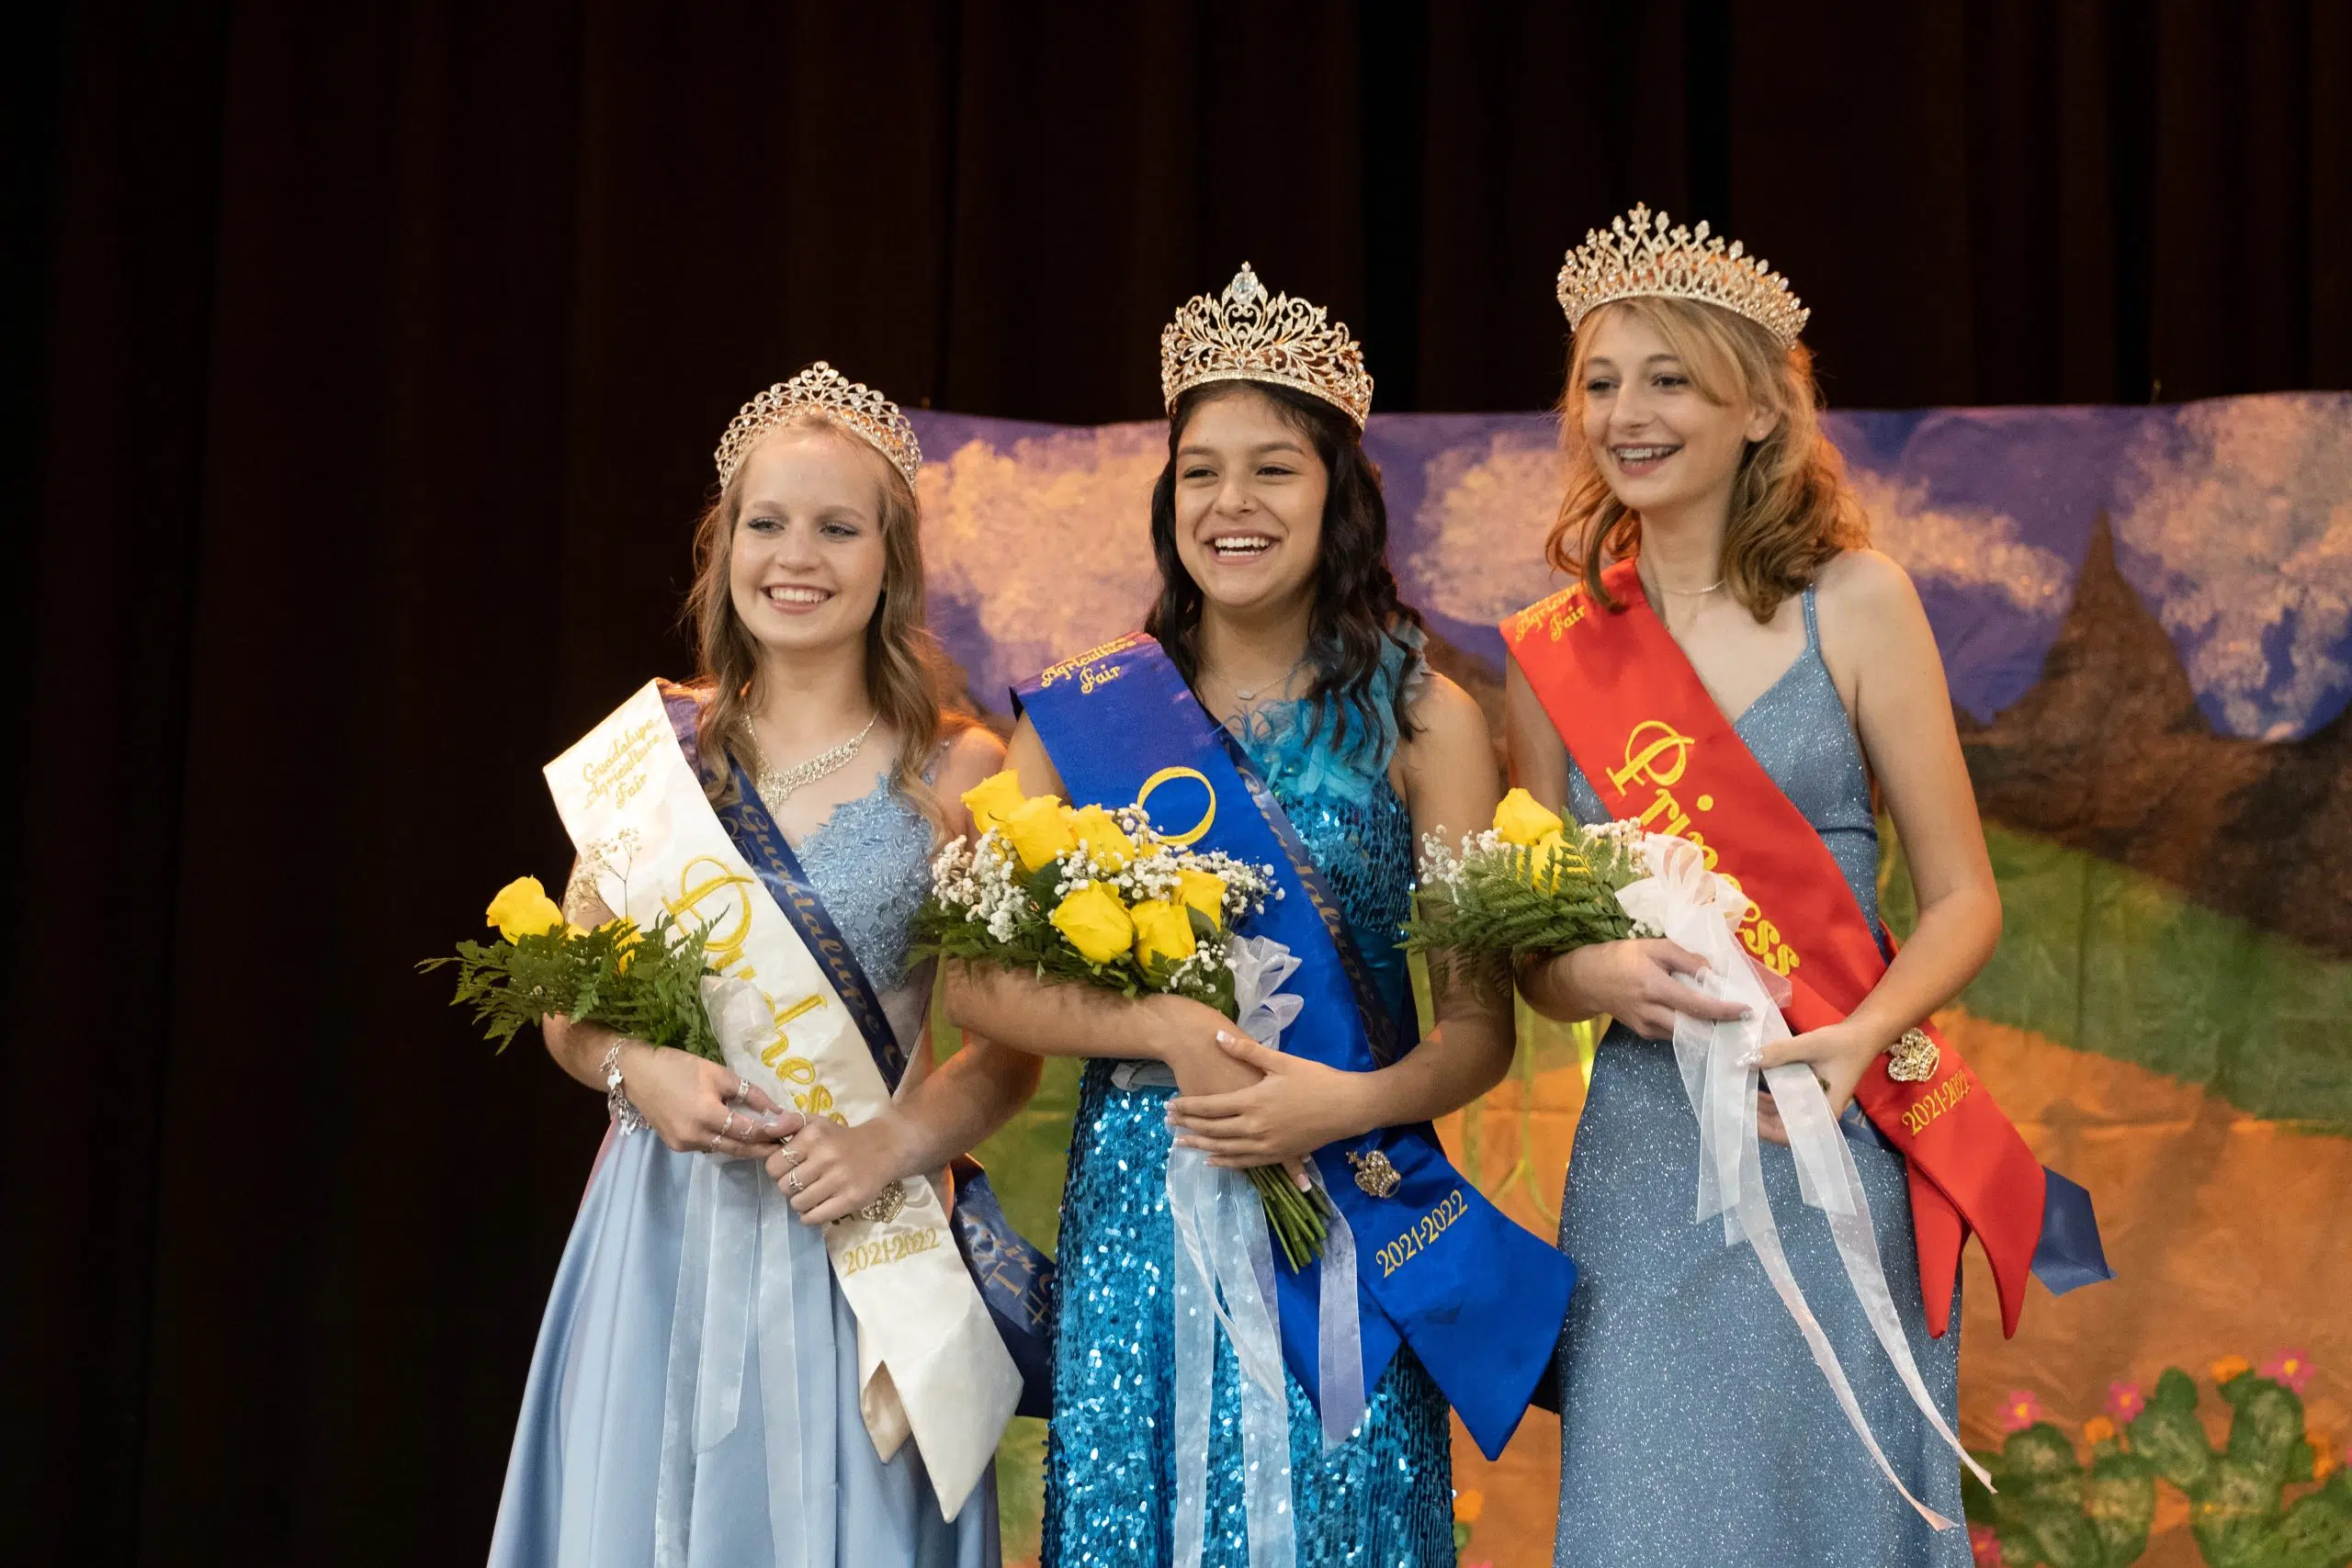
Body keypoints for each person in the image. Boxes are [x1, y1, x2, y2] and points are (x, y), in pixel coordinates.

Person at [945, 265, 1569, 1568]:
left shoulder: (1426, 717)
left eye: (1272, 470)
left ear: (1339, 492)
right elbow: (973, 983)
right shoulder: (1079, 715)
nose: (1231, 505)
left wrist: (1343, 1105)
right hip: (1142, 1220)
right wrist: (1160, 1022)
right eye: (1199, 473)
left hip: (1348, 1220)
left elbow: (1477, 1026)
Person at [1508, 207, 2049, 1567]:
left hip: (1835, 1132)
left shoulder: (1855, 601)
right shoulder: (1551, 648)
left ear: (1759, 405)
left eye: (1669, 378)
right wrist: (1593, 977)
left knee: (1842, 1514)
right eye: (1603, 381)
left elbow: (1966, 896)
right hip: (1644, 1157)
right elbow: (1533, 940)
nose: (1627, 413)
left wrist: (1866, 1032)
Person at [490, 363, 1035, 1568]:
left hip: (863, 1234)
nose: (799, 556)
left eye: (839, 527)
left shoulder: (958, 772)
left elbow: (1008, 1048)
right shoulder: (654, 753)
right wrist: (640, 1070)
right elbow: (564, 1015)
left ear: (891, 557)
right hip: (661, 1229)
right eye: (767, 523)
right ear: (724, 544)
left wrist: (885, 1145)